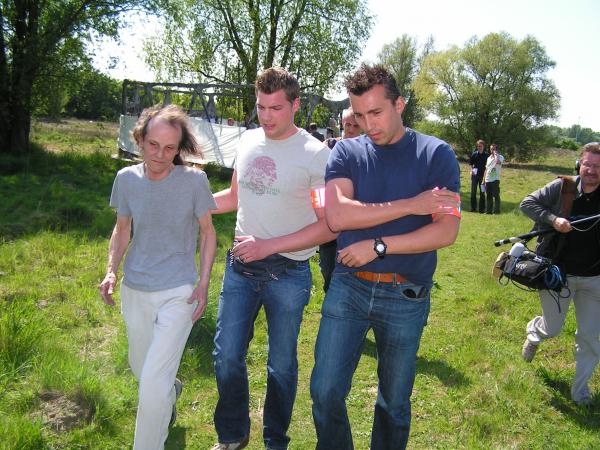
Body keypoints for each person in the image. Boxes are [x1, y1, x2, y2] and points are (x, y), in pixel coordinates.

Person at [310, 63, 461, 450]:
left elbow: (445, 231)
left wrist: (378, 245)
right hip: (349, 286)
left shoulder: (436, 154)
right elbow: (338, 216)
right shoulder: (346, 151)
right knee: (324, 391)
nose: (367, 124)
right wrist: (413, 204)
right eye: (359, 115)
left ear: (400, 104)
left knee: (394, 403)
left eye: (376, 112)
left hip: (406, 292)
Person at [210, 67, 336, 450]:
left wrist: (269, 245)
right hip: (240, 269)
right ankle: (233, 434)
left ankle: (275, 440)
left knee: (281, 366)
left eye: (276, 108)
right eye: (261, 107)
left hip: (289, 274)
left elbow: (329, 226)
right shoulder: (248, 140)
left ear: (295, 106)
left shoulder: (316, 155)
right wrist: (189, 201)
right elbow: (234, 197)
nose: (266, 116)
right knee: (226, 356)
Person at [98, 104, 217, 450]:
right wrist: (111, 270)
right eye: (153, 145)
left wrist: (203, 284)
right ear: (139, 139)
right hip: (135, 287)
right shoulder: (126, 179)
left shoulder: (194, 181)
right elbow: (122, 229)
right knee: (143, 369)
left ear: (179, 148)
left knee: (151, 382)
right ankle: (171, 389)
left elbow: (208, 233)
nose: (160, 155)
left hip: (179, 291)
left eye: (169, 148)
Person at [520, 142, 600, 406]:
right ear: (579, 165)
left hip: (594, 279)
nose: (592, 170)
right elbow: (527, 203)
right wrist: (553, 220)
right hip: (558, 274)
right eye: (587, 164)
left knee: (589, 337)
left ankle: (580, 394)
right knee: (552, 328)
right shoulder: (563, 187)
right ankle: (535, 331)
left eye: (598, 166)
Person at [320, 107, 362, 291]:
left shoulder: (366, 150)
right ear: (342, 124)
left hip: (354, 219)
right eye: (347, 125)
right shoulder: (328, 146)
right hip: (329, 218)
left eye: (355, 126)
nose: (351, 129)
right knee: (328, 266)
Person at [483, 143, 504, 214]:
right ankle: (489, 211)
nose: (492, 150)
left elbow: (498, 162)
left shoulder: (500, 157)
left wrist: (495, 154)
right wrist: (484, 179)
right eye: (491, 149)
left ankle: (497, 211)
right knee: (489, 196)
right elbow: (486, 169)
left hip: (495, 179)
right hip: (488, 179)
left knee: (496, 195)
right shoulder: (488, 158)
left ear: (496, 149)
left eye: (493, 149)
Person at [468, 139, 489, 213]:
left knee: (482, 192)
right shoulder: (474, 154)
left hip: (483, 177)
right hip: (474, 176)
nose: (479, 147)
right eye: (478, 146)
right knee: (473, 192)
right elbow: (471, 164)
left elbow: (488, 166)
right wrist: (471, 170)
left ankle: (481, 209)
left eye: (480, 146)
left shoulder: (487, 155)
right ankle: (473, 208)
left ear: (483, 146)